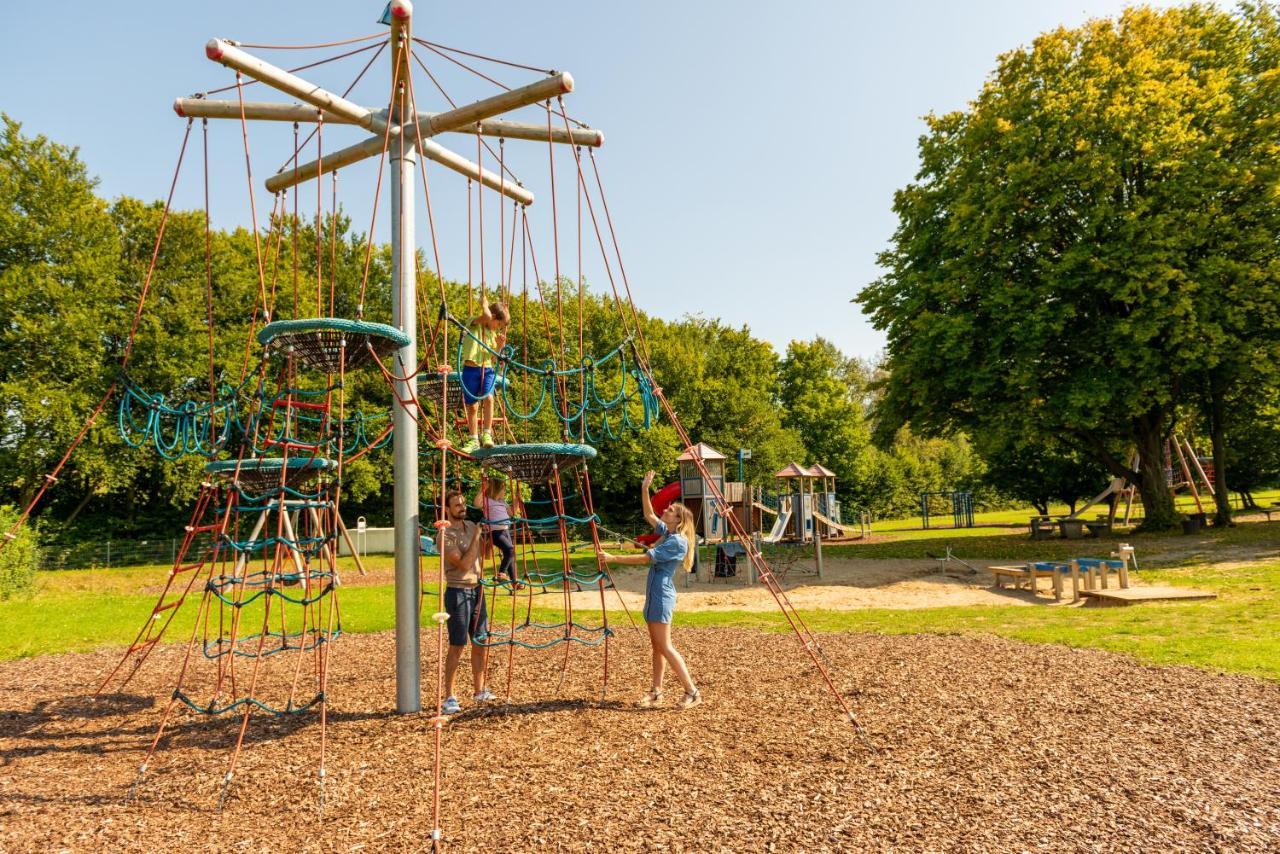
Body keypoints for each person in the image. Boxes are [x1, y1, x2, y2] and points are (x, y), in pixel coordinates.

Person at [598, 470, 701, 710]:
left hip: (662, 596)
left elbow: (646, 558)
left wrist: (613, 558)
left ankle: (692, 691)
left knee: (665, 646)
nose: (665, 510)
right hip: (656, 595)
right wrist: (645, 488)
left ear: (678, 520)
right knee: (657, 647)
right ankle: (656, 692)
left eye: (670, 510)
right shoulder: (668, 533)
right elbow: (648, 514)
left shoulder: (677, 542)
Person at [440, 488, 495, 714]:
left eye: (463, 504)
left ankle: (479, 689)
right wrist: (476, 537)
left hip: (477, 589)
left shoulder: (472, 526)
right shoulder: (445, 535)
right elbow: (463, 564)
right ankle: (449, 696)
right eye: (457, 505)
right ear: (447, 509)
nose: (462, 508)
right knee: (458, 644)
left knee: (481, 641)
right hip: (458, 592)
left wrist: (493, 534)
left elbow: (486, 554)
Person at [459, 301, 510, 454]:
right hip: (470, 369)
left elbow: (493, 359)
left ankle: (487, 434)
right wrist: (484, 302)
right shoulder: (474, 323)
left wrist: (499, 347)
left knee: (488, 398)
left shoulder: (493, 335)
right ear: (493, 317)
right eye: (499, 324)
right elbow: (486, 315)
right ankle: (473, 438)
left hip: (486, 369)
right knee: (472, 406)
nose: (498, 328)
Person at [475, 475, 517, 585]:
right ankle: (501, 573)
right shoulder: (486, 500)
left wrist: (517, 499)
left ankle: (514, 581)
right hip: (496, 532)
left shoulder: (503, 501)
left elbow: (512, 513)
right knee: (510, 550)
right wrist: (483, 488)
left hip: (505, 531)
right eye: (503, 489)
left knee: (510, 555)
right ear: (496, 489)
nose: (505, 491)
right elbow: (476, 503)